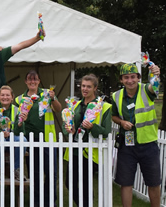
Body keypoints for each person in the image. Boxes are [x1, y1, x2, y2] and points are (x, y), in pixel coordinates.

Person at [111, 63, 161, 207]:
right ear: (121, 80)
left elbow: (154, 86)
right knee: (126, 183)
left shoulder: (147, 89)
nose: (130, 80)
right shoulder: (116, 96)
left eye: (133, 77)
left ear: (138, 78)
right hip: (127, 146)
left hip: (148, 144)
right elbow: (114, 116)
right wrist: (121, 122)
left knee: (153, 182)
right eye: (126, 77)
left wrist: (156, 74)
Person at [63, 74, 112, 207]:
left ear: (95, 88)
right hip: (74, 151)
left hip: (90, 152)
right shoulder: (75, 105)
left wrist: (92, 127)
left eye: (88, 87)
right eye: (83, 86)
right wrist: (68, 128)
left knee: (85, 185)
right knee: (69, 183)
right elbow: (66, 125)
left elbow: (106, 131)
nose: (85, 89)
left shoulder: (104, 107)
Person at [14, 70, 61, 206]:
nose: (32, 82)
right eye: (29, 79)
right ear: (25, 82)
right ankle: (36, 201)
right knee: (34, 173)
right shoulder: (19, 99)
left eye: (35, 79)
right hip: (30, 140)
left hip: (48, 139)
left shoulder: (47, 94)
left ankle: (50, 200)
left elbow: (58, 109)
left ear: (39, 81)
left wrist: (53, 98)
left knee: (51, 172)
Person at [0, 85, 28, 180]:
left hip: (12, 137)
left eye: (8, 95)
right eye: (3, 95)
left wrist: (21, 123)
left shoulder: (17, 110)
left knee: (23, 140)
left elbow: (20, 131)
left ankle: (16, 169)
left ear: (12, 97)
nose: (5, 97)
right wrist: (1, 133)